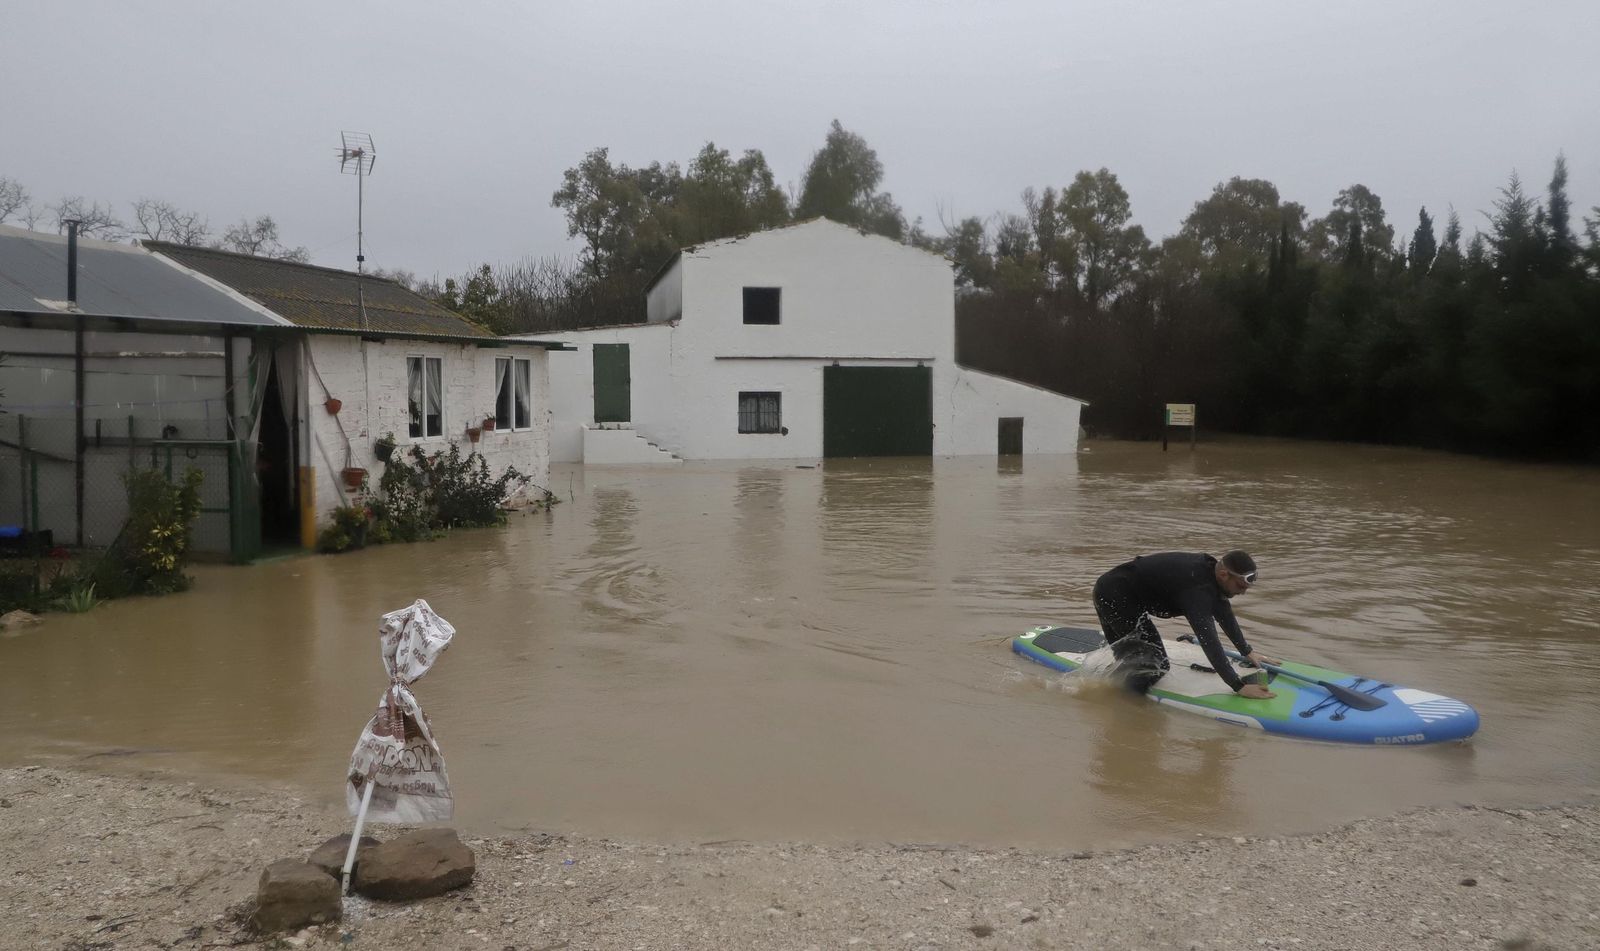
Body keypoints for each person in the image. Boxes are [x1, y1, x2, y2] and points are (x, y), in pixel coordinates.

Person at [1091, 550, 1278, 698]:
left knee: (1136, 659)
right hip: (1115, 597)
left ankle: (1107, 686)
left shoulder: (1209, 575)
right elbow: (1209, 640)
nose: (1243, 593)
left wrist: (1247, 650)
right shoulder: (1198, 592)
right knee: (1154, 666)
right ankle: (1124, 708)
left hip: (1116, 592)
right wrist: (1239, 686)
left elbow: (1223, 612)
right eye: (1240, 586)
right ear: (1223, 574)